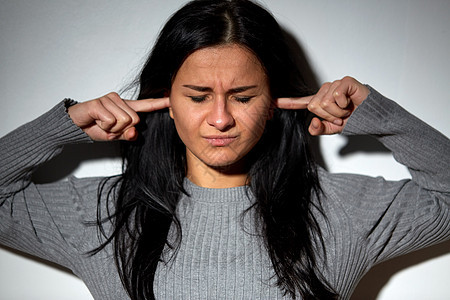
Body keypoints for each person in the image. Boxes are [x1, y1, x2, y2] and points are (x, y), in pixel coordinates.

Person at [0, 0, 449, 299]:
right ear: (166, 102)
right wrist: (63, 126)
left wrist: (378, 117)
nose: (220, 119)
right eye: (197, 97)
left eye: (243, 96)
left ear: (275, 103)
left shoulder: (342, 209)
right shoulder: (99, 213)